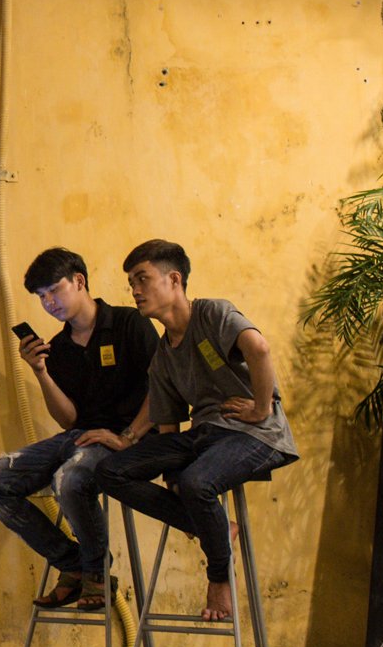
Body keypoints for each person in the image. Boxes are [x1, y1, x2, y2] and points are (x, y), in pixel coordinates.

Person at [97, 240, 298, 622]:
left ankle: (219, 577)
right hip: (203, 436)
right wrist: (154, 465)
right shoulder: (163, 357)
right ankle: (220, 529)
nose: (135, 291)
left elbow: (259, 348)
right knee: (110, 471)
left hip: (253, 434)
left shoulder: (213, 314)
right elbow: (169, 426)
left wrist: (260, 406)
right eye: (131, 283)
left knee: (196, 484)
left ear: (174, 280)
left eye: (142, 279)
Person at [0, 246, 160, 614]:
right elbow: (69, 420)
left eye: (54, 290)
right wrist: (41, 371)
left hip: (133, 437)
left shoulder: (129, 323)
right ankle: (74, 564)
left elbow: (162, 390)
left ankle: (96, 574)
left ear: (79, 281)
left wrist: (127, 438)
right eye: (41, 297)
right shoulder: (58, 348)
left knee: (70, 479)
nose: (49, 302)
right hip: (81, 436)